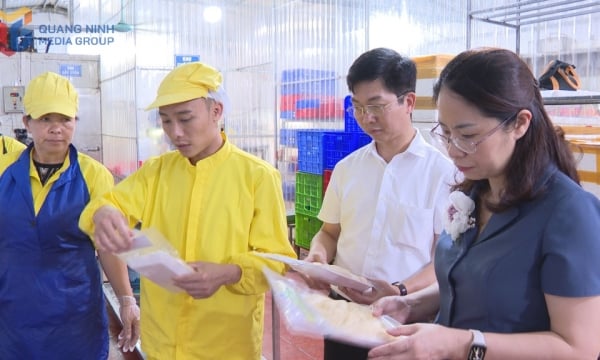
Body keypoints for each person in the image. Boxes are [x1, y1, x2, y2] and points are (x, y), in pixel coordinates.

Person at [368, 47, 600, 360]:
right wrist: (412, 304)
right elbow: (470, 283)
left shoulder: (569, 213)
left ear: (519, 123)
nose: (453, 150)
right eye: (446, 133)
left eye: (468, 135)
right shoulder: (474, 194)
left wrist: (462, 344)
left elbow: (579, 348)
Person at [78, 61, 298, 360]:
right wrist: (102, 212)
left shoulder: (257, 176)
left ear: (216, 111)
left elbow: (277, 261)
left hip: (226, 344)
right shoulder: (156, 172)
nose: (175, 133)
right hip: (162, 343)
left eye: (185, 119)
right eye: (166, 121)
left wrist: (229, 272)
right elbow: (110, 205)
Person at [303, 47, 457, 359]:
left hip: (403, 317)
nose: (366, 118)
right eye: (357, 107)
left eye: (376, 106)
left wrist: (400, 291)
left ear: (408, 102)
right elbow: (330, 232)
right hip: (342, 316)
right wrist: (318, 256)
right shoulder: (347, 169)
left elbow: (444, 261)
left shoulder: (444, 174)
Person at [0, 71, 140, 359]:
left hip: (74, 319)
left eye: (64, 119)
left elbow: (107, 247)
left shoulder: (93, 175)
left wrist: (127, 300)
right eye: (45, 119)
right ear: (27, 123)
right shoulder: (5, 170)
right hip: (13, 314)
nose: (55, 128)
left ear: (75, 122)